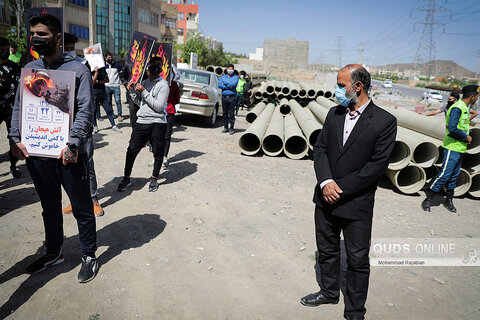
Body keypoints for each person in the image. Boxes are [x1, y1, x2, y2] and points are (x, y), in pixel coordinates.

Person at [300, 64, 397, 320]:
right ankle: (329, 292)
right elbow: (320, 150)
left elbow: (376, 166)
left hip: (356, 204)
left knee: (357, 260)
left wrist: (339, 188)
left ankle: (355, 310)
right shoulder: (334, 114)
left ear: (358, 87)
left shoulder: (385, 122)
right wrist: (326, 182)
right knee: (328, 249)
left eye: (341, 85)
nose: (336, 90)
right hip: (325, 199)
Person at [9, 13, 99, 282]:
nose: (36, 39)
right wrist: (15, 138)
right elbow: (19, 107)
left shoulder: (78, 70)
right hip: (38, 153)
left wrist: (73, 144)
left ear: (57, 37)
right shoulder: (31, 69)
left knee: (81, 207)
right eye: (33, 34)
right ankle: (54, 251)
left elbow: (85, 112)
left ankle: (88, 254)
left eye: (42, 34)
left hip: (68, 154)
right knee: (49, 206)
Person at [61, 32, 104, 217]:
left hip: (82, 125)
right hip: (61, 125)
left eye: (72, 49)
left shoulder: (82, 65)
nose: (69, 52)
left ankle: (93, 199)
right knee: (68, 166)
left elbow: (87, 97)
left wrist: (95, 72)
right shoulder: (53, 68)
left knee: (88, 163)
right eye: (66, 48)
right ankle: (74, 200)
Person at [421, 85, 479, 213]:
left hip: (460, 148)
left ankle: (449, 201)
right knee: (445, 174)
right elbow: (452, 129)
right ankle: (428, 200)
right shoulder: (457, 108)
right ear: (472, 96)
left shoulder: (464, 107)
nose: (478, 99)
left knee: (454, 176)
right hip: (452, 147)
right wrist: (466, 137)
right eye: (477, 96)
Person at [118, 59, 169, 193]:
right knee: (131, 150)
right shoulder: (145, 82)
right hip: (142, 121)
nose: (146, 70)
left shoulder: (163, 85)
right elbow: (139, 102)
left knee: (158, 151)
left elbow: (158, 107)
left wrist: (145, 92)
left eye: (149, 68)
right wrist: (131, 91)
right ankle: (126, 178)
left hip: (157, 122)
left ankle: (154, 177)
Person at [0, 37, 22, 178]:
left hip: (11, 108)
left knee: (13, 138)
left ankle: (13, 166)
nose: (5, 52)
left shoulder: (15, 67)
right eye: (1, 50)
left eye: (7, 50)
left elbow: (22, 86)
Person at [92, 65, 122, 133]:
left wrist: (99, 81)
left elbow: (107, 80)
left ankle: (113, 125)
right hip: (94, 93)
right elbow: (92, 82)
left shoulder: (102, 69)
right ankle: (95, 126)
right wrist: (96, 73)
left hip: (103, 93)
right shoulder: (91, 70)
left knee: (108, 110)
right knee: (94, 110)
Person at [163, 66, 181, 167]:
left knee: (167, 135)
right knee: (156, 136)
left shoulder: (174, 85)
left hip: (169, 112)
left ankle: (165, 156)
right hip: (159, 112)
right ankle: (156, 156)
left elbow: (177, 100)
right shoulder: (158, 83)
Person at [218, 63, 239, 134]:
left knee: (231, 114)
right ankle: (225, 127)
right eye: (229, 69)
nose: (230, 70)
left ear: (233, 70)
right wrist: (228, 86)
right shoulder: (223, 77)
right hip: (224, 97)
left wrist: (225, 84)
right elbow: (219, 84)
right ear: (226, 70)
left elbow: (234, 84)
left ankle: (231, 128)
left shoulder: (236, 77)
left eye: (232, 69)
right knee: (225, 113)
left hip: (232, 97)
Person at [105, 52, 124, 121]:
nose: (110, 58)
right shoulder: (104, 66)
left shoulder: (117, 65)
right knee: (109, 101)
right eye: (109, 57)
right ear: (106, 58)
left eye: (111, 57)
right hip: (107, 86)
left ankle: (120, 115)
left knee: (118, 101)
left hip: (116, 86)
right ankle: (112, 114)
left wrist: (123, 83)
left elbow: (121, 75)